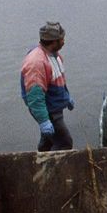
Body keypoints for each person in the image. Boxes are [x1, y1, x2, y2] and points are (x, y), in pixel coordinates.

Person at [21, 21, 75, 152]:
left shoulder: (53, 54)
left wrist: (66, 97)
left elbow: (58, 77)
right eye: (62, 39)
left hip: (54, 105)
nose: (64, 41)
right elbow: (35, 97)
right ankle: (52, 169)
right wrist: (44, 120)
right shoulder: (37, 63)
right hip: (48, 110)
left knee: (49, 139)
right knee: (64, 142)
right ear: (54, 42)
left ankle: (41, 155)